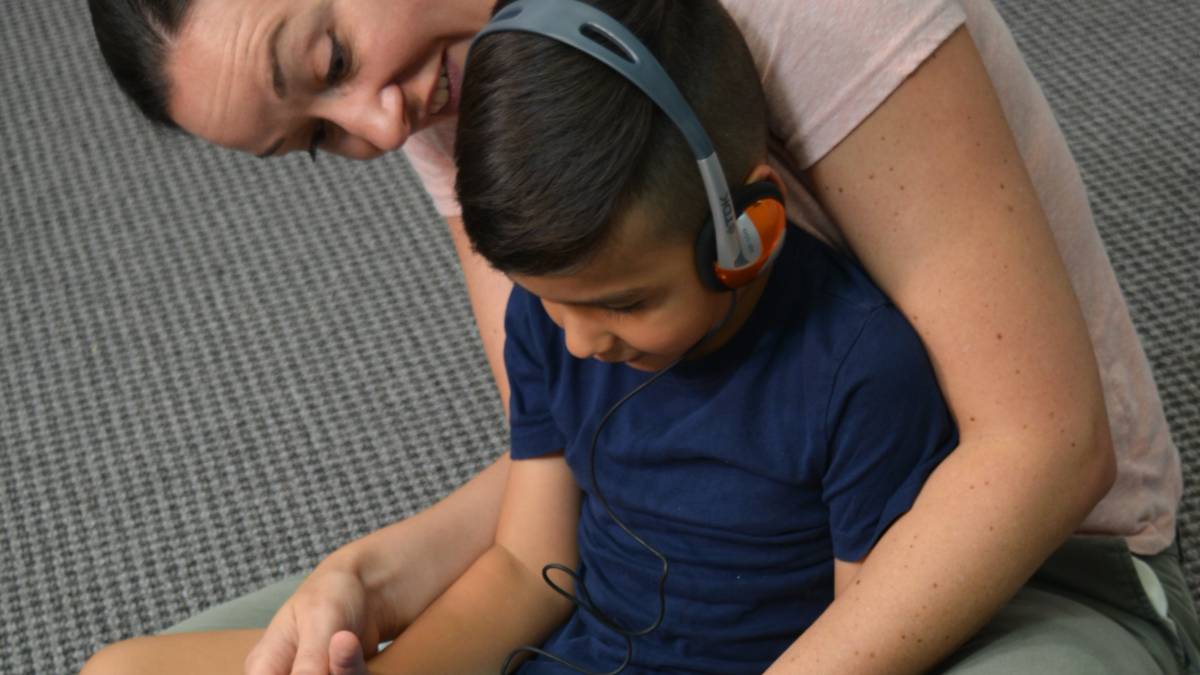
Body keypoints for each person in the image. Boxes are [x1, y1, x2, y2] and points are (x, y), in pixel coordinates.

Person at [80, 0, 1198, 673]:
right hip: (655, 586)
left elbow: (1045, 444)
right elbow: (578, 467)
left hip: (1020, 566)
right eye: (314, 142)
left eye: (328, 62)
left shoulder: (854, 359)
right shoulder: (440, 90)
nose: (376, 126)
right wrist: (362, 578)